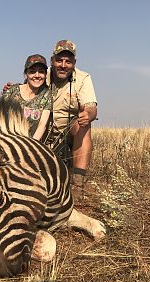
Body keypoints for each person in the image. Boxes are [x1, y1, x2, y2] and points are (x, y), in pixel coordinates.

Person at [46, 39, 97, 187]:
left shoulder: (83, 78)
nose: (63, 65)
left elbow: (91, 107)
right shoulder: (41, 74)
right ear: (52, 60)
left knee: (83, 125)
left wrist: (88, 114)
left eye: (68, 61)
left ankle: (78, 182)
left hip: (68, 133)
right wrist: (13, 91)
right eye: (59, 60)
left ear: (74, 63)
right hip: (42, 131)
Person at [3, 54, 52, 141]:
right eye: (32, 72)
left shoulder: (47, 95)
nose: (37, 75)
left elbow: (42, 125)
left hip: (31, 144)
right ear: (26, 74)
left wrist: (31, 145)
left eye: (41, 72)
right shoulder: (12, 90)